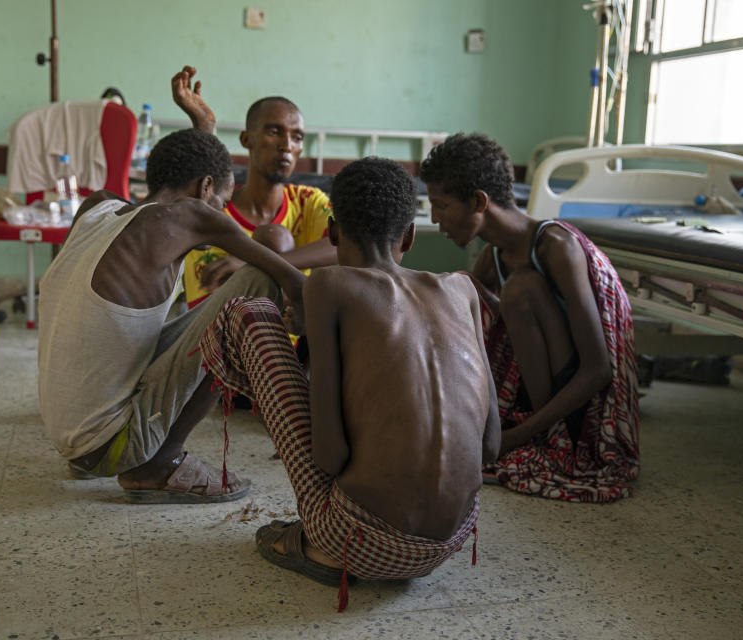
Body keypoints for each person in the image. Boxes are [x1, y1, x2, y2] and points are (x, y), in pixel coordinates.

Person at [197, 157, 500, 611]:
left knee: (249, 315)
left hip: (357, 539)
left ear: (334, 233)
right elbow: (491, 447)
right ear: (411, 236)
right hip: (448, 541)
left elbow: (330, 454)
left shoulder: (329, 285)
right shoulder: (463, 289)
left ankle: (317, 546)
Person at [37, 128, 306, 503]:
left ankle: (132, 454)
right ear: (205, 187)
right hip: (111, 445)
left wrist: (202, 127)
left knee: (175, 318)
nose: (222, 213)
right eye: (222, 202)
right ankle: (160, 462)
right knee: (259, 281)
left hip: (72, 439)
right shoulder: (191, 216)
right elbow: (289, 280)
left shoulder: (96, 208)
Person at [419, 133, 640, 503]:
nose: (434, 218)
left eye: (441, 206)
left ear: (478, 202)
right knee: (458, 290)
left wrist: (515, 438)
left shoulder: (556, 247)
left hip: (582, 409)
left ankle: (548, 439)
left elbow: (598, 369)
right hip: (536, 401)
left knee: (519, 289)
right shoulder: (493, 259)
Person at [171, 65, 336, 307]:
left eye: (297, 137)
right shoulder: (214, 208)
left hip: (292, 340)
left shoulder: (308, 202)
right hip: (216, 337)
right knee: (273, 237)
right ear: (247, 139)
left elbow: (348, 244)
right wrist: (204, 125)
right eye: (274, 131)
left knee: (275, 237)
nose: (287, 145)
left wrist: (255, 264)